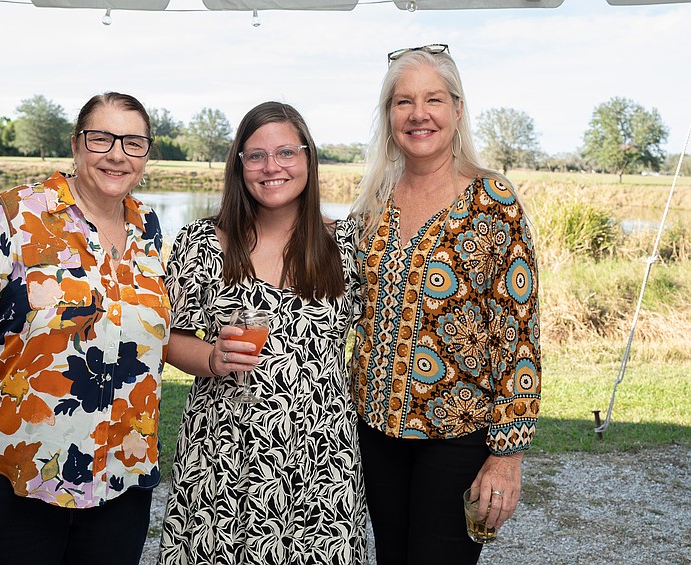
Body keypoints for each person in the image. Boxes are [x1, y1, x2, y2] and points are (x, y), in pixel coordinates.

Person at [0, 92, 169, 565]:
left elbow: (144, 331)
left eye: (134, 142)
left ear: (147, 153)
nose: (118, 154)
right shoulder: (15, 213)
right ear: (76, 145)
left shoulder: (147, 226)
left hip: (121, 477)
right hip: (15, 471)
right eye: (102, 139)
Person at [349, 44, 542, 564]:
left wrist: (507, 455)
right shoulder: (373, 201)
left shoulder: (492, 201)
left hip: (455, 436)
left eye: (433, 99)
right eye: (402, 102)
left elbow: (518, 335)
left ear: (457, 110)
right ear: (388, 116)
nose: (418, 114)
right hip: (373, 430)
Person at [158, 101, 367, 564]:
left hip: (320, 461)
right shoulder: (201, 243)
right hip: (222, 462)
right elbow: (166, 337)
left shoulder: (346, 244)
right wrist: (211, 357)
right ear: (239, 165)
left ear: (309, 158)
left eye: (286, 152)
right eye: (255, 155)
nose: (272, 167)